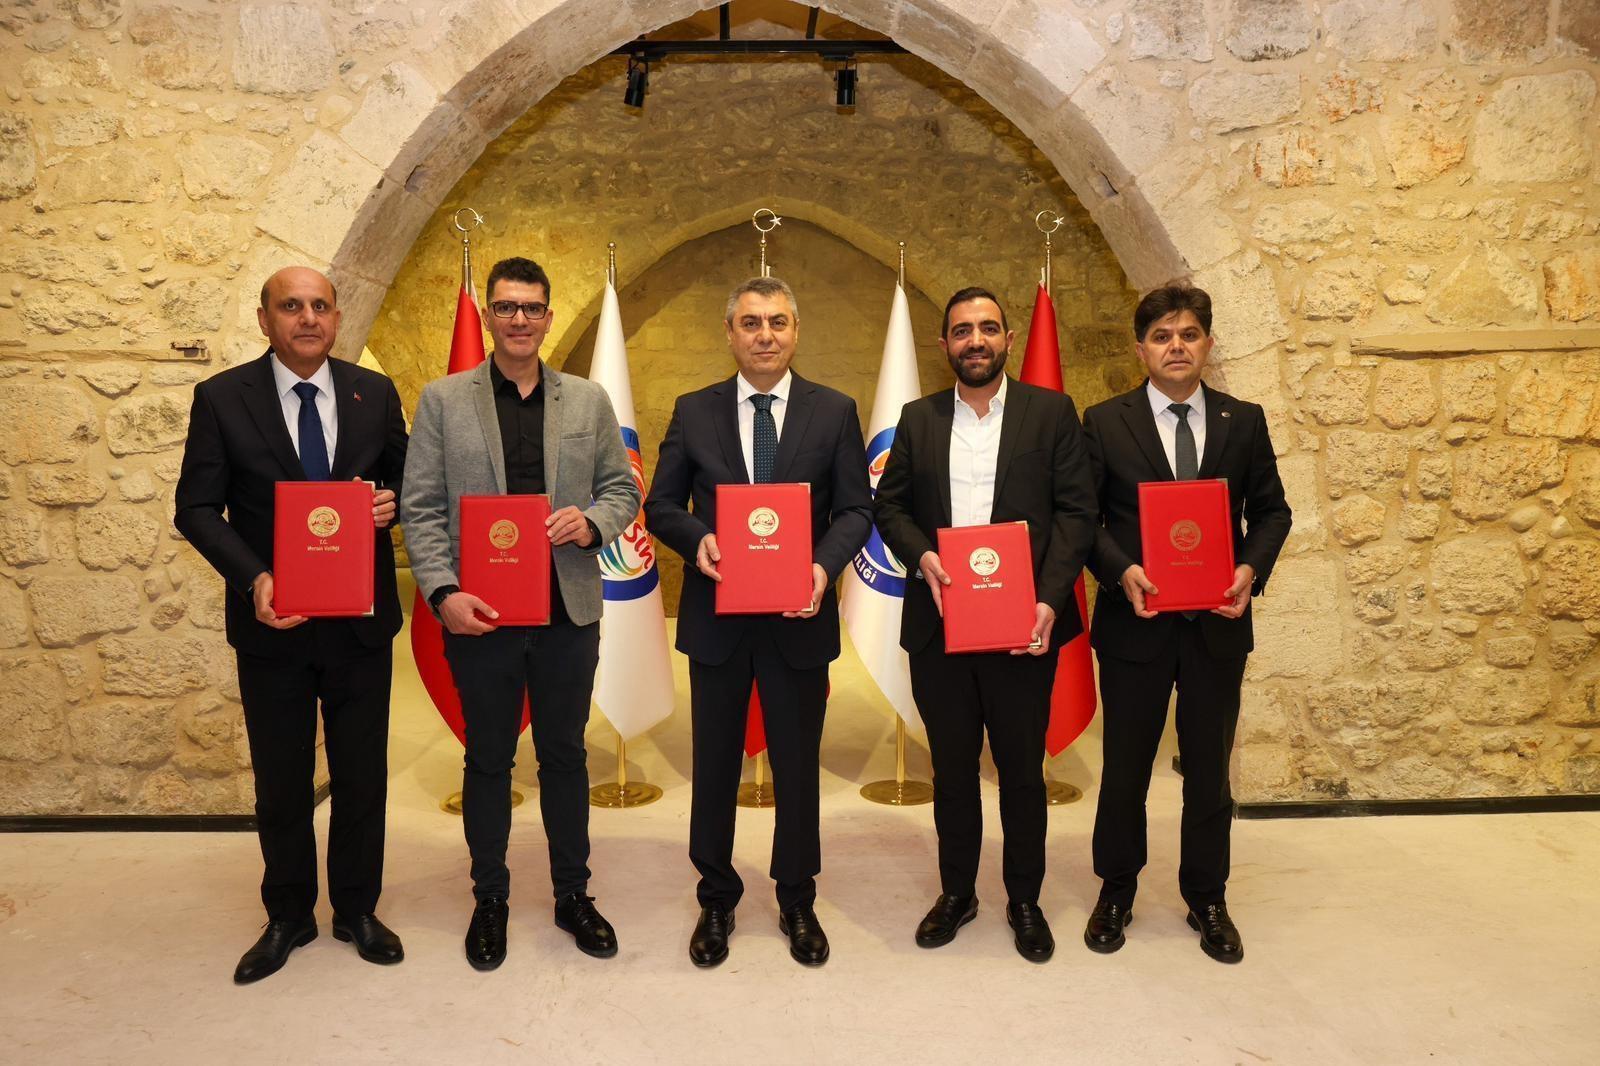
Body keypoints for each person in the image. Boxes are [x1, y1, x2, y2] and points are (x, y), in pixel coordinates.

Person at [398, 256, 640, 971]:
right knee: (488, 758)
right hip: (480, 613)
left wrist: (592, 523)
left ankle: (573, 895)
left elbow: (622, 491)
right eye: (505, 307)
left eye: (532, 308)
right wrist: (442, 593)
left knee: (565, 755)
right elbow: (421, 507)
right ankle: (491, 898)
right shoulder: (444, 400)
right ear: (488, 316)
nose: (519, 320)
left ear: (548, 316)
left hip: (566, 610)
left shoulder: (587, 401)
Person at [174, 266, 409, 984]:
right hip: (272, 623)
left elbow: (406, 481)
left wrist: (390, 502)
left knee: (362, 777)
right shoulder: (222, 397)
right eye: (291, 306)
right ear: (265, 319)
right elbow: (195, 508)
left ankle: (357, 909)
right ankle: (288, 914)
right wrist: (255, 579)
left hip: (359, 624)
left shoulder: (374, 394)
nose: (307, 318)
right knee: (281, 781)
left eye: (320, 306)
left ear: (336, 318)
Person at [643, 276, 872, 968]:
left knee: (798, 766)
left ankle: (797, 897)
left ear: (796, 331)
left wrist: (823, 567)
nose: (764, 335)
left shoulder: (834, 411)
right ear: (730, 332)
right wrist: (698, 540)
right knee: (714, 765)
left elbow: (855, 509)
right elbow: (661, 506)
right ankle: (716, 897)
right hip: (718, 619)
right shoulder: (694, 410)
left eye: (776, 322)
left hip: (799, 617)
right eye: (750, 322)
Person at [874, 286, 1097, 963]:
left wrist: (1050, 599)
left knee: (1022, 772)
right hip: (940, 626)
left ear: (1008, 338)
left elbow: (1076, 513)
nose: (976, 340)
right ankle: (957, 894)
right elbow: (890, 508)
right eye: (963, 330)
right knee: (951, 771)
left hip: (1024, 625)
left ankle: (1024, 899)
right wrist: (922, 556)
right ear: (944, 344)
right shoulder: (917, 419)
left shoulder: (1051, 413)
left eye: (989, 328)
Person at [1080, 283, 1292, 964]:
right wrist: (1120, 571)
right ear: (1141, 349)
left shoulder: (1243, 421)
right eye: (1162, 336)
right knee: (1125, 768)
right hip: (1134, 622)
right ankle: (1116, 889)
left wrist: (1249, 570)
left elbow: (1273, 512)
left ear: (1207, 343)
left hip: (1216, 623)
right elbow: (1084, 519)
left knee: (1208, 771)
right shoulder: (1103, 422)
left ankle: (1207, 896)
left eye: (1189, 334)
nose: (1177, 346)